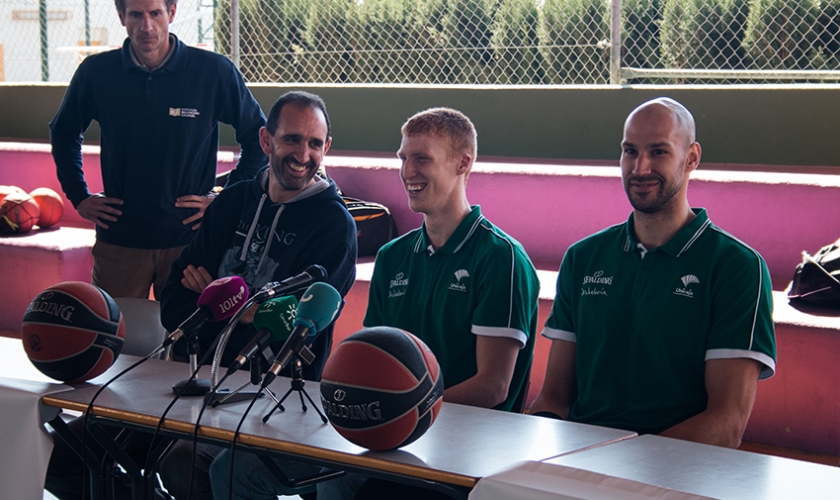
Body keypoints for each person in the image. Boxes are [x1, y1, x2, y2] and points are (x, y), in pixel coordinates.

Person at [317, 107, 540, 500]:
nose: (407, 171)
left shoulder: (501, 257)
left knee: (340, 484)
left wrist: (400, 412)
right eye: (403, 158)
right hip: (390, 437)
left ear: (462, 163)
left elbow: (493, 387)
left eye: (422, 158)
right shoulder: (392, 256)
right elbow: (370, 359)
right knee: (242, 468)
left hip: (466, 454)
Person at [529, 97, 776, 448]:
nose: (640, 167)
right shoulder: (583, 257)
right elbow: (553, 399)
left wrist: (621, 470)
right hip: (580, 463)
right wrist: (531, 461)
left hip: (676, 471)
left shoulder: (737, 267)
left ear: (691, 158)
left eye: (658, 152)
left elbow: (726, 423)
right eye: (630, 151)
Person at [156, 91, 357, 500]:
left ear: (326, 148)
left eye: (315, 143)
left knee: (187, 461)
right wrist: (251, 312)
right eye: (292, 139)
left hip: (279, 397)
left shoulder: (335, 226)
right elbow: (174, 302)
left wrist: (221, 300)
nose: (303, 154)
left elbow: (297, 326)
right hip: (204, 384)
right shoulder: (231, 202)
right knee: (103, 440)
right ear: (266, 141)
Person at [49, 0, 267, 300]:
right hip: (120, 241)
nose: (146, 26)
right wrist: (79, 196)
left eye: (155, 14)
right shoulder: (97, 73)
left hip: (191, 243)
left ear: (172, 13)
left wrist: (224, 200)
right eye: (136, 15)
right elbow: (63, 131)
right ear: (122, 16)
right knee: (114, 337)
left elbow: (259, 138)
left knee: (186, 341)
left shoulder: (213, 72)